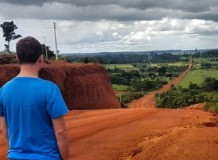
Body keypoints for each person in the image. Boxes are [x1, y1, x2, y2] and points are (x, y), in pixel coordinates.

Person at [0, 36, 70, 160]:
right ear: (41, 58)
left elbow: (3, 130)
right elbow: (60, 132)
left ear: (17, 57)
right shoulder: (50, 89)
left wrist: (15, 154)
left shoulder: (4, 90)